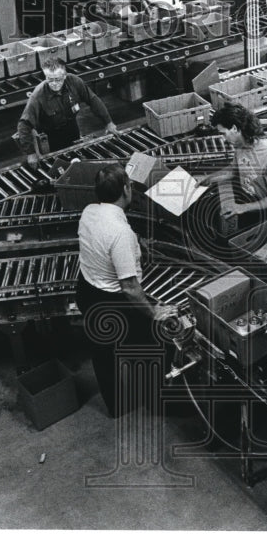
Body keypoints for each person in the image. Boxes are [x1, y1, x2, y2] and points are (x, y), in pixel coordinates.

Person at [75, 164, 178, 418]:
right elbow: (130, 288)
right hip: (112, 302)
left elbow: (105, 240)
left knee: (103, 352)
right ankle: (158, 402)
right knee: (154, 347)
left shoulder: (90, 211)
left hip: (86, 289)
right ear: (126, 189)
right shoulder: (120, 232)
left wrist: (138, 244)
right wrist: (154, 312)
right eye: (130, 184)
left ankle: (115, 405)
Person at [199, 103, 267, 228]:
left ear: (234, 128)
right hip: (254, 207)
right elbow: (233, 170)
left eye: (223, 133)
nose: (223, 139)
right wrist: (208, 178)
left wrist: (242, 208)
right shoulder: (240, 146)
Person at [16, 54, 117, 166]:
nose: (54, 84)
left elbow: (93, 100)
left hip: (71, 128)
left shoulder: (74, 82)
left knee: (76, 160)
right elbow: (24, 124)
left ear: (64, 76)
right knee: (55, 165)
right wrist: (31, 153)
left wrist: (108, 122)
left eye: (58, 79)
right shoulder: (38, 95)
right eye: (50, 79)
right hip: (50, 135)